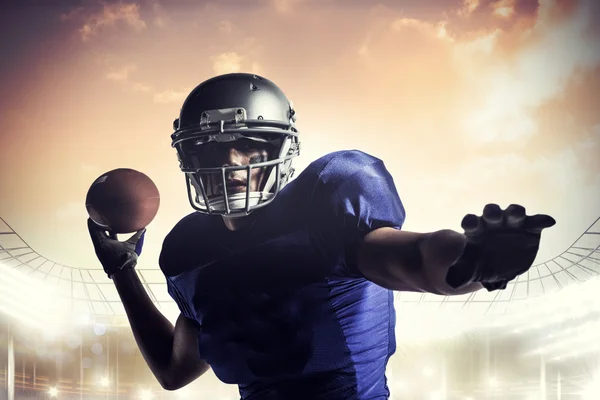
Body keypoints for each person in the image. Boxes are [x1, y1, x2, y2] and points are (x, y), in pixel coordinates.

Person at [87, 73, 556, 400]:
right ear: (188, 157)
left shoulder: (325, 201)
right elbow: (174, 371)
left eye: (249, 144)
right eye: (213, 146)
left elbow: (417, 260)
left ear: (281, 149)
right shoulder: (188, 248)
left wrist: (475, 261)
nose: (232, 160)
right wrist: (123, 270)